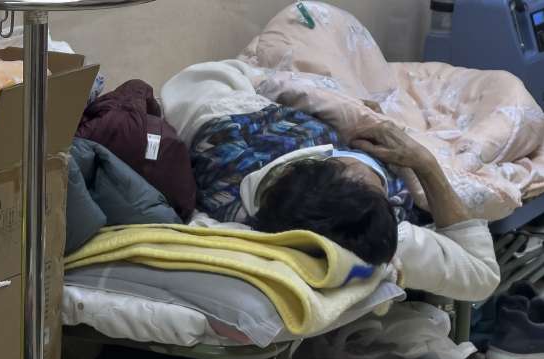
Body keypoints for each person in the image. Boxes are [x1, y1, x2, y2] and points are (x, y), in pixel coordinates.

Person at [162, 60, 500, 302]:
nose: (373, 169)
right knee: (501, 90)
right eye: (374, 180)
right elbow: (481, 272)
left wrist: (346, 107)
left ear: (315, 161)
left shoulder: (223, 122)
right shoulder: (374, 236)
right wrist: (424, 163)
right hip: (424, 141)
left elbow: (223, 72)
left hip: (303, 90)